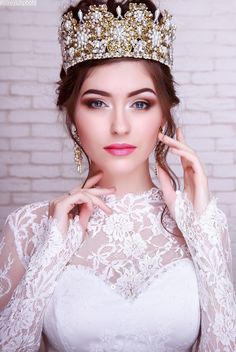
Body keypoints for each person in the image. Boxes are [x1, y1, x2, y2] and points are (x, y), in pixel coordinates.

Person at [0, 0, 236, 351]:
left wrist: (200, 232)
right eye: (97, 103)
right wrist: (51, 253)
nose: (120, 126)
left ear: (164, 116)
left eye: (140, 103)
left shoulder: (203, 224)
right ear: (72, 114)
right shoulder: (28, 227)